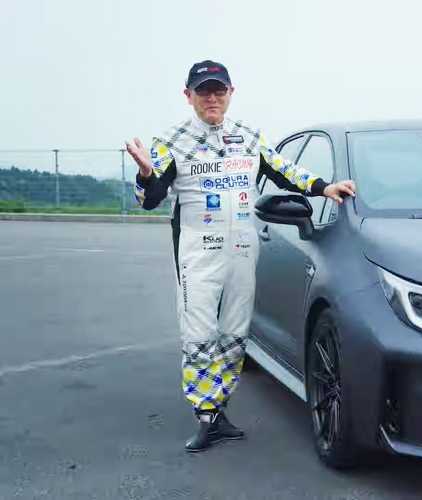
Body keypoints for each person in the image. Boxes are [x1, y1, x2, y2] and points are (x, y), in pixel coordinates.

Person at [124, 60, 356, 452]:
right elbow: (150, 200)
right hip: (198, 254)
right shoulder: (171, 141)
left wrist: (323, 187)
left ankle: (220, 410)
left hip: (243, 251)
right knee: (199, 336)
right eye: (203, 91)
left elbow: (284, 170)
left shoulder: (248, 136)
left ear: (231, 93)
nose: (212, 98)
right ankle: (205, 415)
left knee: (235, 334)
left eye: (219, 90)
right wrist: (146, 175)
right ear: (188, 96)